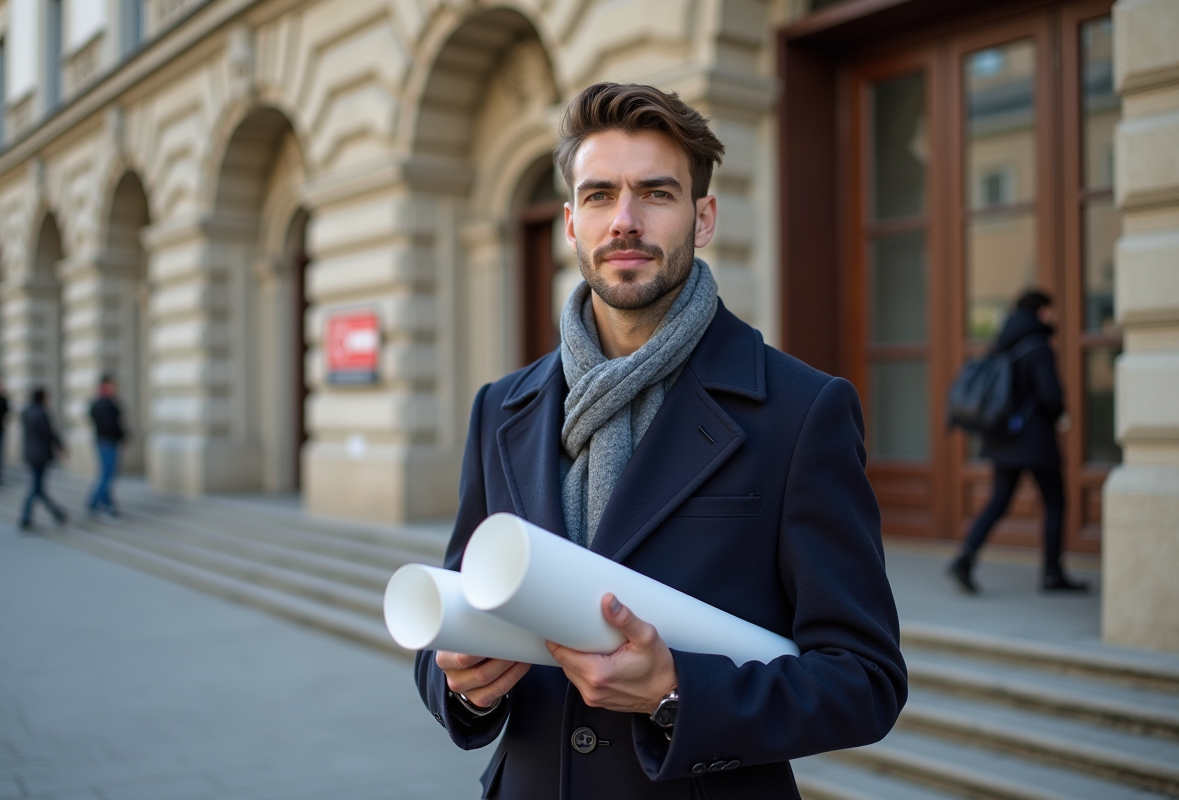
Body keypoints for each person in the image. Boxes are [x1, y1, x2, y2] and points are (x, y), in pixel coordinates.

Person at [414, 83, 906, 800]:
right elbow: (459, 613)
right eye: (599, 195)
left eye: (656, 194)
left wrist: (676, 694)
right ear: (570, 223)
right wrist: (460, 684)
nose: (625, 220)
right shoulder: (502, 408)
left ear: (702, 217)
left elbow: (865, 681)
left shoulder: (803, 411)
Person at [948, 290, 1087, 593]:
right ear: (1040, 311)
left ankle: (965, 558)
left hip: (1003, 439)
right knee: (1055, 502)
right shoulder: (1039, 346)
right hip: (1035, 442)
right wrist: (1060, 413)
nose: (1052, 316)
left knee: (998, 501)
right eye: (1049, 310)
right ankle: (1052, 573)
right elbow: (1051, 395)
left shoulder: (1002, 344)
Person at [20, 388, 68, 531]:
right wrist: (60, 446)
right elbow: (49, 434)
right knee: (37, 487)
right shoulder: (41, 414)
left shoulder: (27, 412)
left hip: (31, 453)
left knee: (38, 487)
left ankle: (55, 513)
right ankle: (27, 517)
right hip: (40, 454)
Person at [87, 374, 126, 518]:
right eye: (112, 385)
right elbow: (111, 424)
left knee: (107, 474)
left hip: (107, 441)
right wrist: (122, 435)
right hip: (107, 442)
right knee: (107, 474)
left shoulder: (103, 402)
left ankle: (101, 503)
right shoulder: (103, 403)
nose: (114, 388)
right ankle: (100, 504)